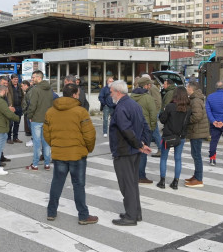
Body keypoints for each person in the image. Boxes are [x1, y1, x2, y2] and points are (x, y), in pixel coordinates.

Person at [44, 83, 98, 224]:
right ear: (75, 95)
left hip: (59, 153)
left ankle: (51, 212)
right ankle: (83, 215)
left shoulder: (50, 111)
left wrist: (55, 145)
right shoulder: (81, 112)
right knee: (78, 185)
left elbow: (47, 134)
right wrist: (88, 149)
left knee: (57, 182)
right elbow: (90, 135)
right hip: (77, 154)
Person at [108, 80, 152, 226]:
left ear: (118, 92)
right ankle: (135, 212)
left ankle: (131, 216)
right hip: (133, 151)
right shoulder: (134, 104)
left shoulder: (121, 108)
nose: (110, 94)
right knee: (132, 183)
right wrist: (143, 143)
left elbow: (126, 130)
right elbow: (145, 125)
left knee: (127, 184)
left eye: (112, 91)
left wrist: (140, 144)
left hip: (124, 151)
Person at [158, 87, 191, 189]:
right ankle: (175, 182)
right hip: (180, 136)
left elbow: (163, 120)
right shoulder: (188, 108)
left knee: (164, 158)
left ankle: (162, 181)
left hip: (168, 135)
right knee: (178, 159)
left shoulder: (170, 106)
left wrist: (161, 113)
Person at [129, 76, 157, 184]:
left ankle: (133, 174)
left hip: (133, 128)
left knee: (134, 152)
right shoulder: (148, 97)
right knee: (143, 153)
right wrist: (152, 127)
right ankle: (141, 176)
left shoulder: (131, 96)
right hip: (146, 129)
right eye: (149, 85)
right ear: (145, 85)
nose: (150, 86)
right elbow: (153, 114)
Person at [0, 81, 19, 174]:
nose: (7, 93)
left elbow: (2, 112)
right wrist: (16, 117)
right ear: (4, 91)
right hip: (1, 126)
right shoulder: (0, 101)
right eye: (7, 91)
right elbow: (8, 113)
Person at [26, 70, 53, 170]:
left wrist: (29, 116)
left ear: (39, 78)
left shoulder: (35, 90)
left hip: (37, 119)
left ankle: (35, 164)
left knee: (37, 143)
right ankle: (47, 164)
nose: (32, 79)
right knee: (46, 142)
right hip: (47, 119)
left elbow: (32, 105)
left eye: (33, 77)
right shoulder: (49, 89)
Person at [185, 81, 209, 188]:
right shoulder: (196, 99)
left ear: (191, 88)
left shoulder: (195, 100)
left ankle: (199, 179)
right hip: (197, 130)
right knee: (195, 154)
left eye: (187, 87)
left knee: (196, 155)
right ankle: (196, 175)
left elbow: (197, 116)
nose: (186, 89)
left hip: (197, 131)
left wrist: (186, 120)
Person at [7, 74, 24, 144]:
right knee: (10, 124)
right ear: (11, 79)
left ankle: (15, 138)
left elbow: (23, 96)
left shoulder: (20, 86)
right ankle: (8, 138)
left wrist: (22, 105)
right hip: (11, 108)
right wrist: (9, 106)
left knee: (17, 124)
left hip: (19, 107)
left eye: (17, 79)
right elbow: (7, 97)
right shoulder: (8, 86)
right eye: (14, 79)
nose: (16, 81)